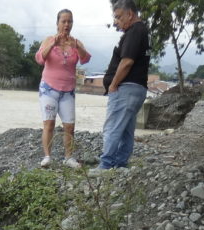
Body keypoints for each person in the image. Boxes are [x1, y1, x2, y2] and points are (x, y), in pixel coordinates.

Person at [97, 0, 150, 170]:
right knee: (126, 129)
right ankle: (120, 163)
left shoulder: (135, 31)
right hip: (137, 88)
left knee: (112, 126)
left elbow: (126, 62)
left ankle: (106, 165)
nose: (116, 22)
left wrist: (113, 84)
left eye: (119, 17)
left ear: (130, 14)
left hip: (126, 87)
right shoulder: (142, 30)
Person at [34, 9, 91, 168]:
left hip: (68, 91)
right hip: (49, 89)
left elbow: (86, 59)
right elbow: (39, 59)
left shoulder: (76, 42)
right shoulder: (49, 40)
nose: (67, 24)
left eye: (70, 21)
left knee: (69, 125)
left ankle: (68, 157)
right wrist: (52, 44)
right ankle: (47, 156)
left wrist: (77, 47)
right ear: (57, 23)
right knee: (49, 124)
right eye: (63, 21)